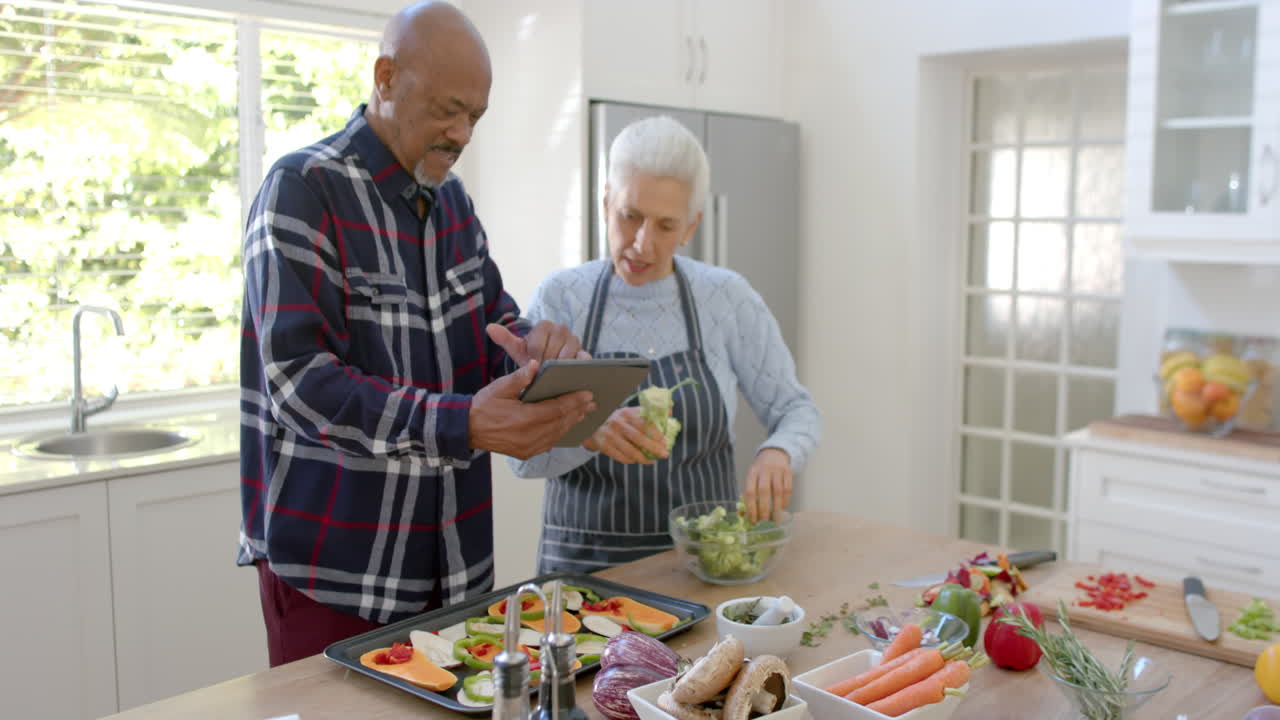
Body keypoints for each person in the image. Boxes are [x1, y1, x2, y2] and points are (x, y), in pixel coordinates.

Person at [238, 1, 596, 667]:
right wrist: (464, 424)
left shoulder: (453, 202)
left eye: (475, 118)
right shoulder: (303, 188)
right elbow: (301, 383)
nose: (461, 134)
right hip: (335, 576)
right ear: (385, 78)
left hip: (452, 569)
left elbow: (494, 328)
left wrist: (538, 352)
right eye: (446, 109)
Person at [510, 116, 821, 574]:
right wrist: (588, 433)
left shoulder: (725, 297)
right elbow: (523, 456)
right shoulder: (562, 299)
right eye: (629, 216)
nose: (642, 243)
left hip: (701, 567)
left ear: (691, 226)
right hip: (584, 575)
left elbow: (797, 410)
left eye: (665, 225)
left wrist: (779, 451)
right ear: (604, 204)